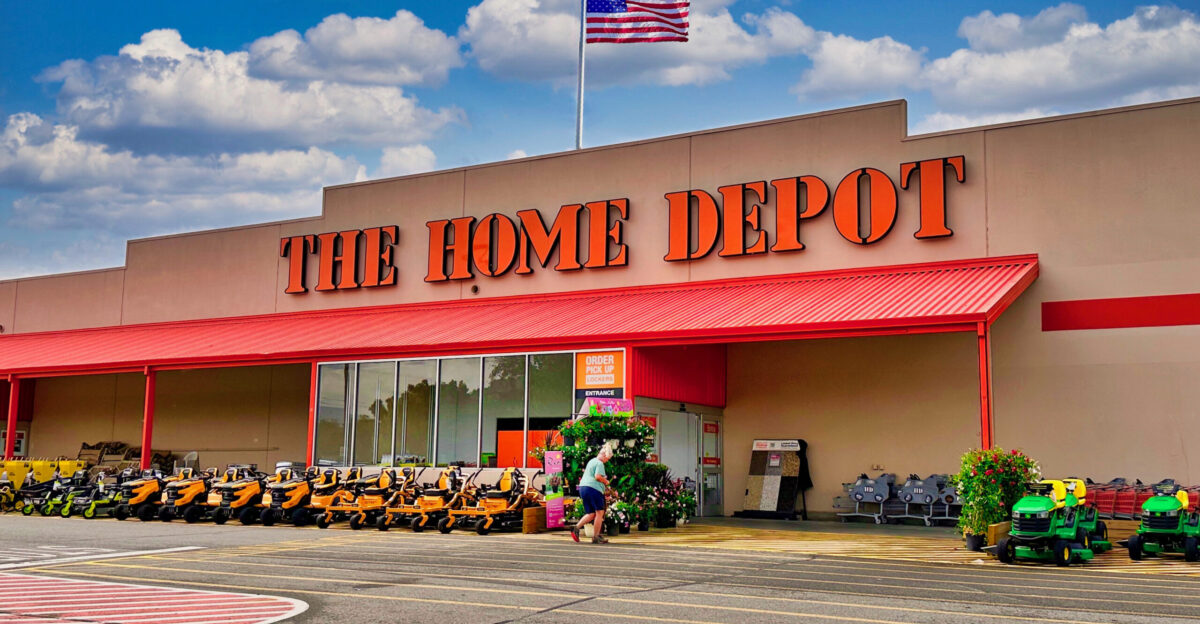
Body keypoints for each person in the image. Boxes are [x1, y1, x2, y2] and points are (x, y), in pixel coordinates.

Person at [571, 444, 613, 544]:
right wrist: (606, 481)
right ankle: (596, 536)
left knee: (591, 513)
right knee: (599, 512)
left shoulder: (592, 461)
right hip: (593, 489)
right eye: (607, 459)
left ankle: (576, 528)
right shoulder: (599, 463)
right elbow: (597, 477)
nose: (606, 461)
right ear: (604, 455)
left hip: (583, 488)